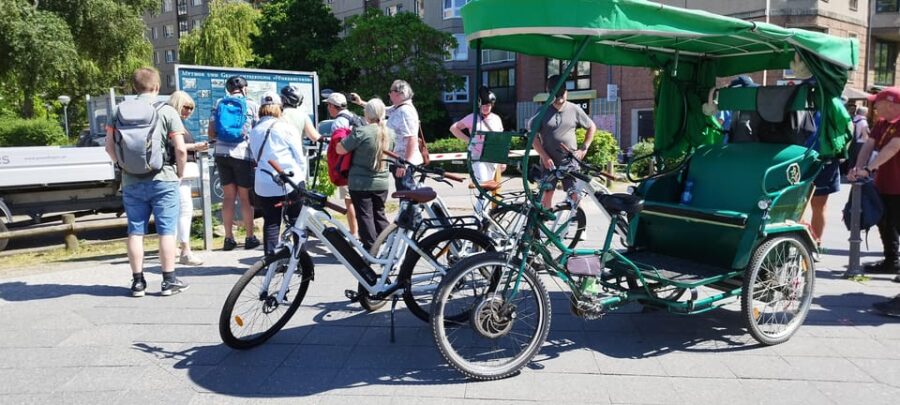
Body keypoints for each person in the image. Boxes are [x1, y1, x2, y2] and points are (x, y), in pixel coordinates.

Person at [104, 67, 189, 297]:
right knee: (166, 232)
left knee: (136, 232)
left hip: (131, 180)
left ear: (134, 87)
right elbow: (180, 149)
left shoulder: (118, 111)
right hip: (163, 179)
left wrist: (123, 166)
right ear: (157, 87)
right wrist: (180, 173)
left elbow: (109, 147)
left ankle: (138, 283)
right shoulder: (167, 111)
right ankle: (169, 281)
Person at [849, 88, 900, 316]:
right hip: (886, 186)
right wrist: (859, 168)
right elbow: (869, 145)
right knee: (887, 224)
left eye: (877, 103)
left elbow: (893, 147)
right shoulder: (881, 123)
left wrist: (870, 168)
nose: (874, 107)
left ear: (891, 103)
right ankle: (891, 260)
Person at [249, 91, 306, 256]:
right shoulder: (286, 128)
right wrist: (302, 180)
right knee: (296, 220)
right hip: (289, 181)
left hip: (264, 183)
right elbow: (299, 157)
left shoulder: (255, 130)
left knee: (271, 222)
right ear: (279, 108)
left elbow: (255, 155)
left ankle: (271, 261)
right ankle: (300, 259)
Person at [208, 75, 260, 251]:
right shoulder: (251, 105)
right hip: (242, 155)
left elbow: (211, 133)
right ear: (244, 89)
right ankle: (249, 237)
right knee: (245, 198)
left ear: (228, 90)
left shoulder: (218, 104)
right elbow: (256, 132)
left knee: (228, 197)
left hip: (222, 154)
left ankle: (228, 239)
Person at [336, 98, 395, 250]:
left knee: (365, 216)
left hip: (360, 183)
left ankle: (371, 249)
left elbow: (340, 149)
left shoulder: (362, 132)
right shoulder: (391, 133)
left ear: (366, 114)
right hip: (382, 182)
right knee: (379, 214)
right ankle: (389, 245)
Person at [532, 74, 596, 208]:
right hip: (549, 163)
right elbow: (532, 137)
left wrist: (584, 148)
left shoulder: (574, 109)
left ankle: (574, 222)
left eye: (562, 95)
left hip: (570, 161)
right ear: (550, 93)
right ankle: (545, 224)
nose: (560, 99)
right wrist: (544, 156)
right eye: (556, 95)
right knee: (547, 193)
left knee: (574, 194)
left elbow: (591, 127)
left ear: (566, 92)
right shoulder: (542, 111)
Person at [353, 80, 422, 191]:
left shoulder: (405, 111)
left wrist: (405, 164)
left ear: (399, 93)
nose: (389, 94)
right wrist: (361, 102)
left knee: (406, 195)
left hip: (403, 162)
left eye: (391, 91)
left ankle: (410, 209)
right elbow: (382, 110)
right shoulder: (398, 108)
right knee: (404, 194)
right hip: (399, 161)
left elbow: (412, 139)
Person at [167, 91, 208, 265]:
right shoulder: (173, 123)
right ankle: (185, 250)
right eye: (186, 107)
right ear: (177, 104)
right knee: (184, 211)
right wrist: (195, 146)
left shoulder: (174, 121)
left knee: (176, 212)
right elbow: (178, 147)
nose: (189, 111)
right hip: (179, 170)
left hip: (177, 170)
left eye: (191, 108)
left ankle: (175, 248)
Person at [449, 87, 505, 212]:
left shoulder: (496, 119)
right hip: (478, 157)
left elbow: (500, 140)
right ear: (479, 104)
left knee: (488, 189)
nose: (486, 107)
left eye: (489, 105)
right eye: (484, 105)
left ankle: (481, 217)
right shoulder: (472, 118)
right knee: (484, 185)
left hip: (492, 157)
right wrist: (468, 139)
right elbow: (454, 128)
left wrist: (501, 160)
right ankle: (479, 217)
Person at [323, 92, 358, 237]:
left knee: (349, 201)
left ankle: (354, 233)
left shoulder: (338, 122)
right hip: (359, 165)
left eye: (328, 105)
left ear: (332, 106)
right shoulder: (354, 116)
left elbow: (341, 147)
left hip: (347, 168)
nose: (327, 108)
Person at [847, 106, 870, 171]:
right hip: (861, 143)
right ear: (864, 113)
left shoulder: (854, 119)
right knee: (861, 160)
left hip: (853, 142)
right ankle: (859, 174)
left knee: (852, 159)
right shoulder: (863, 121)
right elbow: (864, 134)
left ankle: (850, 173)